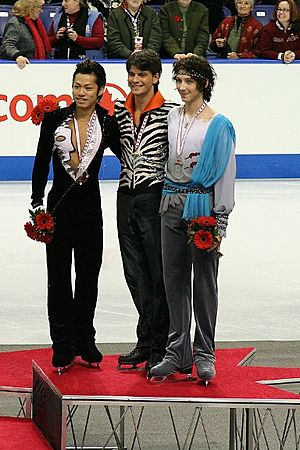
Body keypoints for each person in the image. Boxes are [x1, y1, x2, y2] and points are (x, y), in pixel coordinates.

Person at [30, 59, 121, 373]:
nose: (81, 92)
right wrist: (35, 200)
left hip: (90, 210)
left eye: (88, 87)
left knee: (87, 277)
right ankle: (62, 344)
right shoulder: (55, 119)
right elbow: (41, 161)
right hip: (57, 209)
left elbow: (127, 157)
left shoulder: (107, 123)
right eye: (77, 86)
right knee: (57, 279)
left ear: (100, 91)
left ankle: (85, 338)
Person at [150, 55, 236, 385]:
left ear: (203, 83)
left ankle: (205, 353)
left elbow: (225, 175)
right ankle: (177, 352)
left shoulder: (218, 124)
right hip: (170, 203)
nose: (182, 87)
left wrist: (220, 221)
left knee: (204, 282)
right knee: (174, 279)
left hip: (203, 207)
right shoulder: (171, 116)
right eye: (179, 81)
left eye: (188, 81)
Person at [114, 50, 176, 373]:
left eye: (142, 74)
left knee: (157, 271)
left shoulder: (170, 113)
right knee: (133, 272)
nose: (135, 80)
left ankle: (161, 344)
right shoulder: (120, 114)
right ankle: (146, 338)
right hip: (125, 194)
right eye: (131, 75)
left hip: (155, 196)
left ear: (155, 77)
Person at [0, 0, 51, 69]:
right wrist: (18, 56)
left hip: (37, 66)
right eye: (40, 7)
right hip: (21, 69)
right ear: (31, 8)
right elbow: (7, 45)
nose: (41, 10)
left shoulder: (37, 23)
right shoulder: (15, 23)